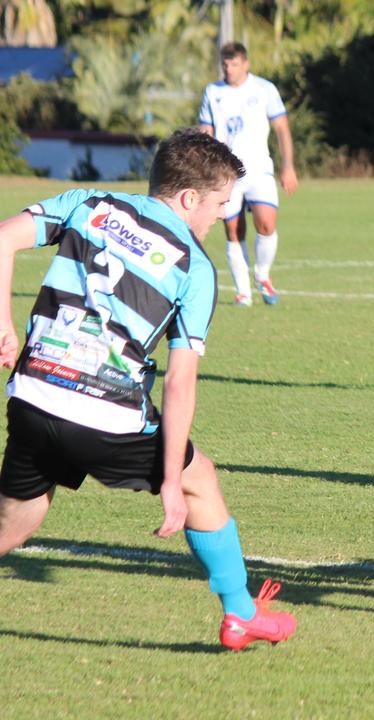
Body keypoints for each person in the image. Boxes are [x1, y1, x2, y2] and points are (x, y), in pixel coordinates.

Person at [0, 128, 297, 651]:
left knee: (15, 522)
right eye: (220, 205)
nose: (222, 217)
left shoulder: (88, 202)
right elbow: (181, 381)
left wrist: (4, 323)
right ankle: (240, 614)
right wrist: (168, 478)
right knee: (198, 478)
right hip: (106, 417)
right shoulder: (195, 266)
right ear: (188, 199)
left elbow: (3, 237)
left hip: (33, 394)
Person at [198, 41, 298, 307]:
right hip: (225, 172)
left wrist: (288, 165)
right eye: (225, 65)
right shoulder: (212, 92)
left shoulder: (265, 89)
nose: (229, 69)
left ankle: (262, 275)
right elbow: (205, 131)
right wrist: (204, 168)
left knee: (266, 223)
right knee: (233, 229)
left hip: (259, 169)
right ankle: (243, 291)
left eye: (234, 64)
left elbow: (282, 129)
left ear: (246, 64)